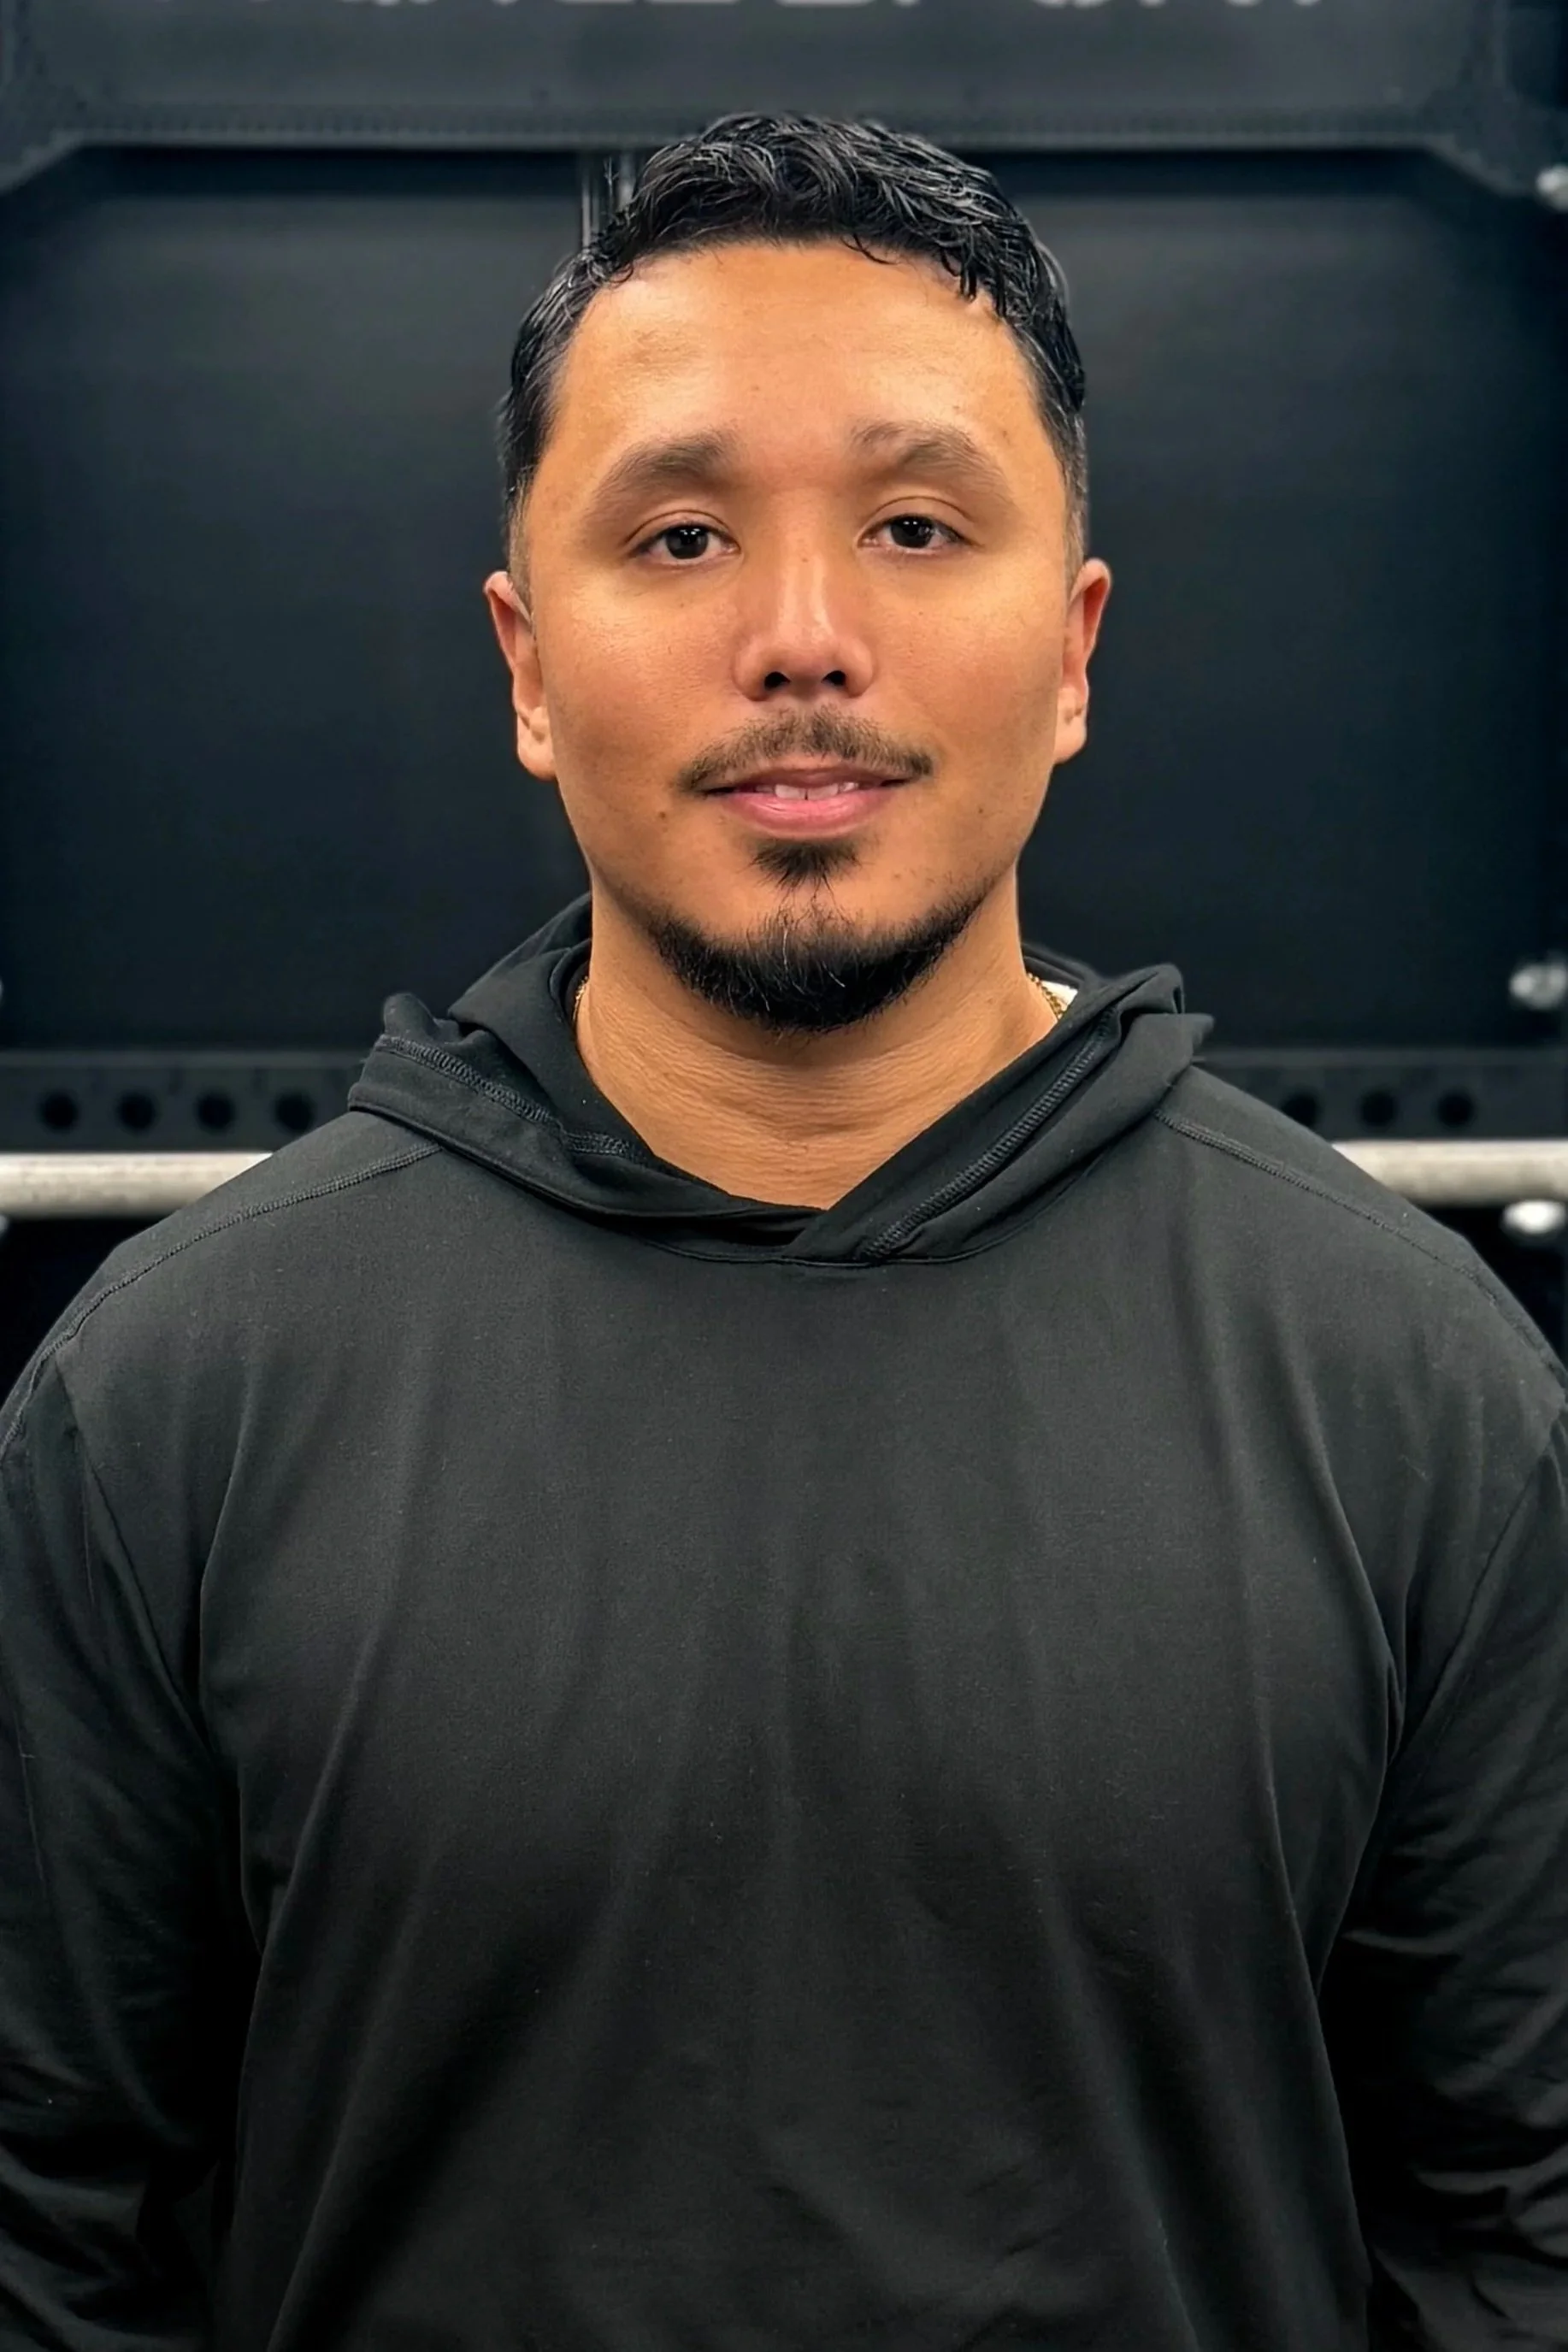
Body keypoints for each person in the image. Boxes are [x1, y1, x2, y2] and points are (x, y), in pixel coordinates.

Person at [0, 112, 1564, 2352]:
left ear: (1075, 644)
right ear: (529, 663)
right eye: (685, 533)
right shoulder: (170, 1396)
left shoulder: (1421, 1391)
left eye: (920, 526)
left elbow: (1517, 2225)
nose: (803, 639)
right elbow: (54, 2244)